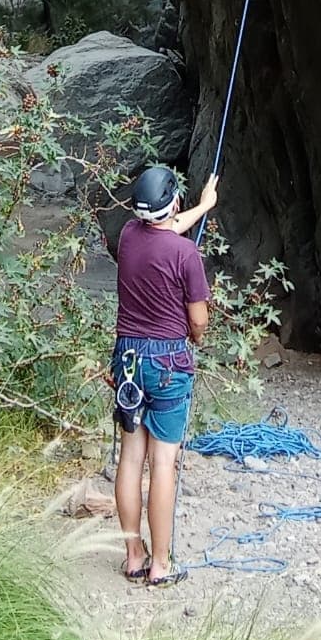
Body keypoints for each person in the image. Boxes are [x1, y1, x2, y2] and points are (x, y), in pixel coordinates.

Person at [111, 163, 218, 588]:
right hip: (170, 362)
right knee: (164, 464)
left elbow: (164, 228)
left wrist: (203, 206)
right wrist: (196, 336)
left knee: (131, 458)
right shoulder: (185, 254)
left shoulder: (127, 237)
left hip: (128, 359)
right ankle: (161, 564)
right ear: (171, 202)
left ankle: (133, 556)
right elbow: (199, 321)